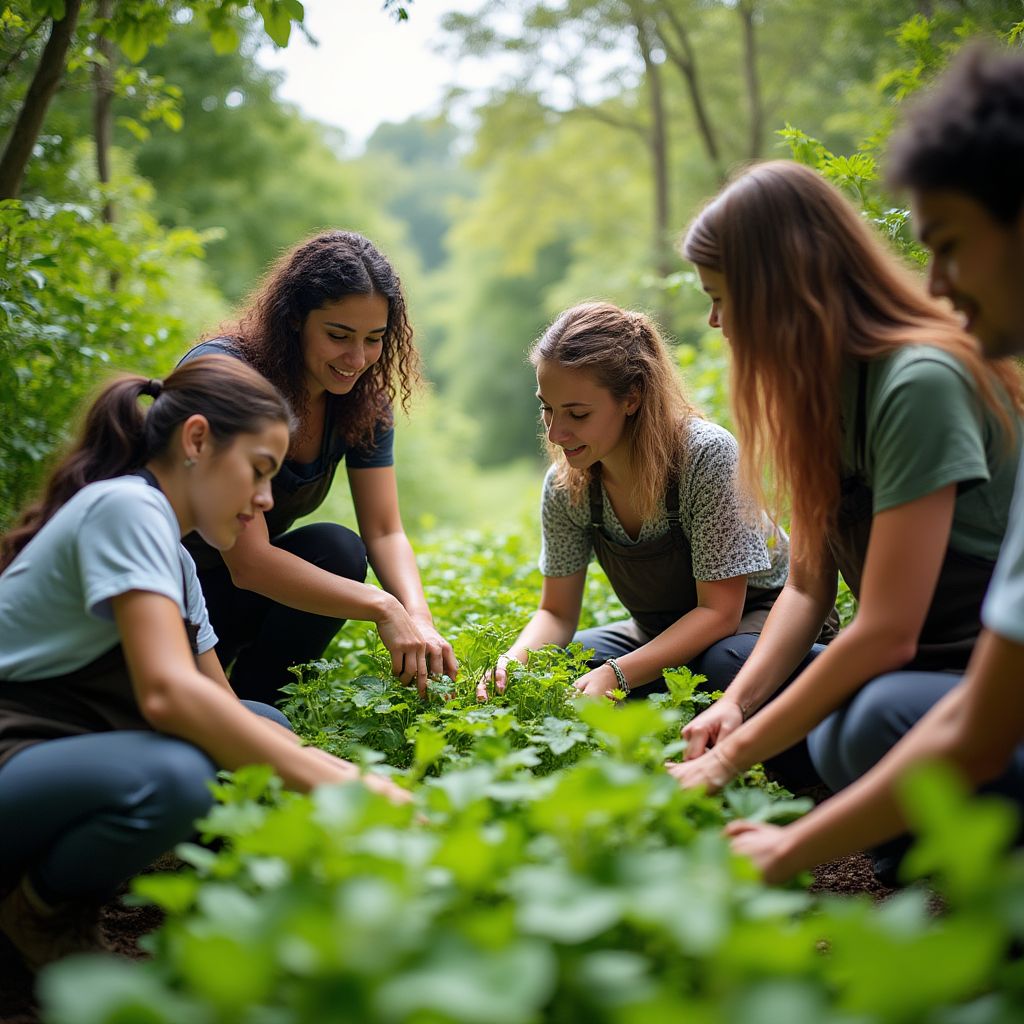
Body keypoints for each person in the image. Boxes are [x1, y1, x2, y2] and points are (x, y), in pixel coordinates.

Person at [720, 45, 1024, 884]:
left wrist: (736, 762)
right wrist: (737, 710)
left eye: (721, 298)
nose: (940, 284)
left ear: (774, 291)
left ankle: (958, 866)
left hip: (951, 662)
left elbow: (890, 632)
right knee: (782, 696)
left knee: (869, 720)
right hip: (943, 669)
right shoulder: (821, 405)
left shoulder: (917, 383)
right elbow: (811, 589)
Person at [0, 356, 408, 971]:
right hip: (17, 749)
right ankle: (35, 914)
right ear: (196, 440)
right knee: (178, 775)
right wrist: (340, 786)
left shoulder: (179, 562)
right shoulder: (127, 510)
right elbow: (169, 695)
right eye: (259, 472)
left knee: (263, 720)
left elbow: (218, 704)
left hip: (59, 756)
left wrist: (365, 783)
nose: (265, 501)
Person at [477, 302, 817, 737]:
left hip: (754, 619)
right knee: (557, 666)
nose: (555, 434)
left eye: (577, 414)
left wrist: (617, 675)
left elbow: (719, 613)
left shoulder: (705, 455)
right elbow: (557, 613)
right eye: (547, 408)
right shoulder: (567, 486)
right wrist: (510, 665)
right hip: (657, 633)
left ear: (632, 397)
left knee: (721, 664)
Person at [179, 231, 457, 705]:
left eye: (374, 340)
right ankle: (231, 713)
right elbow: (248, 562)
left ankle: (257, 701)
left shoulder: (361, 402)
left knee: (336, 550)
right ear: (293, 319)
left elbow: (385, 530)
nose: (357, 360)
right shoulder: (229, 377)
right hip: (165, 589)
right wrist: (382, 607)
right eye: (338, 336)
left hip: (230, 597)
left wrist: (418, 617)